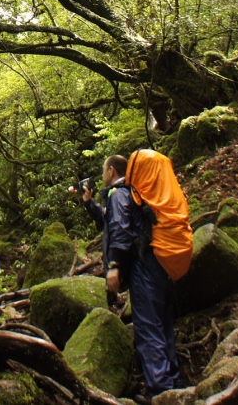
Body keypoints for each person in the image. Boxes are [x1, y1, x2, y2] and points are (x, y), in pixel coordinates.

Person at [78, 154, 181, 396]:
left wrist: (114, 266)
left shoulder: (119, 194)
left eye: (103, 171)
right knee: (163, 323)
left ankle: (161, 391)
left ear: (111, 171)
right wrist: (88, 202)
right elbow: (108, 219)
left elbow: (120, 229)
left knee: (147, 328)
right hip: (157, 263)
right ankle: (174, 384)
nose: (102, 176)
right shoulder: (132, 193)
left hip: (141, 266)